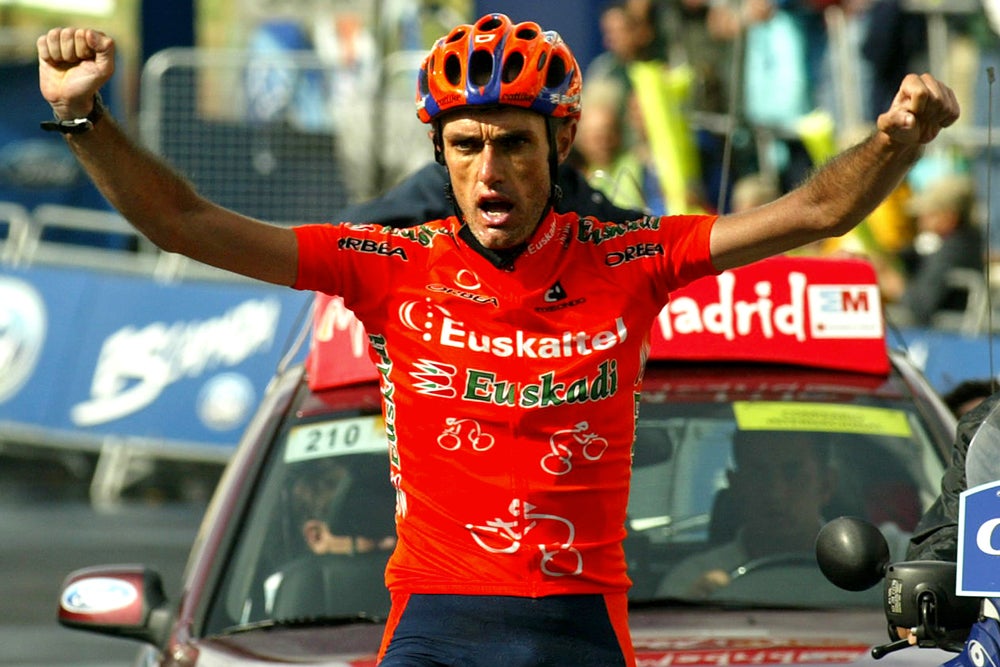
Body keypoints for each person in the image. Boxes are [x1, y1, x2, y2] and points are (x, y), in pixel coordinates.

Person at [37, 12, 958, 666]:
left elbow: (817, 207)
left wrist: (897, 141)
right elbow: (184, 221)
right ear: (438, 153)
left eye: (515, 142)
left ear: (559, 142)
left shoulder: (634, 256)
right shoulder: (387, 263)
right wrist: (85, 117)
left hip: (581, 628)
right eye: (468, 143)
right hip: (432, 628)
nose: (491, 170)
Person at [656, 430, 836, 598]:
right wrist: (692, 611)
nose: (775, 493)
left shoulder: (858, 576)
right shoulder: (690, 580)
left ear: (826, 485)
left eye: (793, 474)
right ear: (736, 486)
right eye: (758, 475)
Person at [880, 172, 984, 327]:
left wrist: (894, 284)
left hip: (946, 335)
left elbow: (921, 305)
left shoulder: (953, 250)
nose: (920, 221)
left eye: (928, 215)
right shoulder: (959, 242)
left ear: (950, 217)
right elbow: (916, 252)